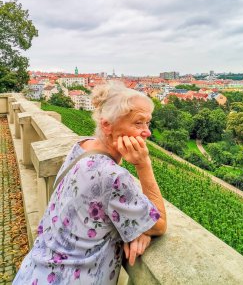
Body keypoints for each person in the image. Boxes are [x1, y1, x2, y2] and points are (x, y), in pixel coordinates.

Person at [13, 82, 167, 285]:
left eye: (148, 123)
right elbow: (159, 224)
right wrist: (144, 165)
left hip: (33, 273)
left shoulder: (82, 147)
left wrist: (138, 227)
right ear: (107, 125)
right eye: (138, 123)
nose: (147, 132)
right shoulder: (113, 176)